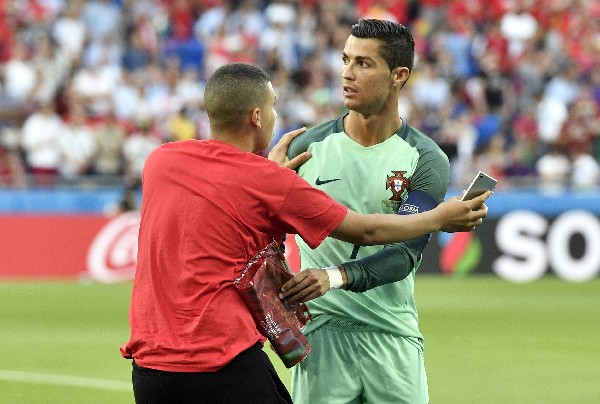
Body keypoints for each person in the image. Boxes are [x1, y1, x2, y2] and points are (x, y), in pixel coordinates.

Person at [120, 62, 489, 404]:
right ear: (257, 117)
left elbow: (222, 197)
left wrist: (263, 172)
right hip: (221, 360)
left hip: (151, 371)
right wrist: (440, 218)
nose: (276, 116)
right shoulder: (270, 183)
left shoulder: (161, 162)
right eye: (274, 107)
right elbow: (367, 229)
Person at [284, 19, 465, 404]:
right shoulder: (306, 148)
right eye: (346, 59)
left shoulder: (425, 158)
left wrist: (331, 277)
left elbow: (403, 255)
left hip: (392, 336)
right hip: (323, 335)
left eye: (364, 64)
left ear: (399, 76)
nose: (347, 73)